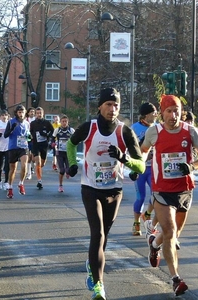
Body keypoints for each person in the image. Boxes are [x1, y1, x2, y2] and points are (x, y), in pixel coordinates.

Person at [66, 87, 145, 300]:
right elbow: (70, 144)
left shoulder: (124, 132)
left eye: (116, 105)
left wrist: (125, 159)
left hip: (114, 190)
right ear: (100, 106)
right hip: (90, 188)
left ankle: (92, 265)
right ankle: (99, 286)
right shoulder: (89, 128)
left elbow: (141, 166)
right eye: (109, 104)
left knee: (104, 237)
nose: (112, 109)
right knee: (98, 234)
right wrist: (72, 164)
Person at [140, 94, 198, 296]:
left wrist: (192, 166)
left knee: (175, 232)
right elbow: (143, 151)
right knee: (170, 232)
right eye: (169, 111)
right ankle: (175, 279)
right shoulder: (154, 131)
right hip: (162, 190)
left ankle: (154, 245)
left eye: (176, 111)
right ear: (162, 113)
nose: (173, 115)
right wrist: (140, 162)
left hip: (184, 189)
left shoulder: (191, 131)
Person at [129, 102, 158, 236]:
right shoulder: (134, 128)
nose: (156, 114)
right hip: (140, 168)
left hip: (154, 167)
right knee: (140, 197)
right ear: (146, 115)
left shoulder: (158, 127)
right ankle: (136, 223)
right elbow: (128, 147)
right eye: (153, 112)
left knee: (156, 195)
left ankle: (147, 214)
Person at [3, 105, 31, 199]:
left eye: (22, 112)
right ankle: (10, 188)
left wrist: (30, 138)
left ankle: (21, 184)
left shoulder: (27, 123)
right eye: (19, 112)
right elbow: (5, 135)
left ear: (25, 113)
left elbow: (28, 135)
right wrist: (11, 129)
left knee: (24, 165)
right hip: (13, 147)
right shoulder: (11, 122)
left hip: (23, 147)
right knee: (13, 169)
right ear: (16, 113)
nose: (21, 114)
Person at [30, 107, 54, 190]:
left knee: (42, 164)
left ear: (43, 113)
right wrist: (30, 138)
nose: (39, 114)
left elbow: (53, 131)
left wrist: (46, 134)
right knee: (38, 163)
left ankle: (36, 168)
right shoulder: (33, 123)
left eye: (40, 113)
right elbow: (29, 133)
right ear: (35, 114)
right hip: (36, 145)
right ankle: (39, 181)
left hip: (44, 145)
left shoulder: (47, 122)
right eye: (37, 113)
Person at [51, 115, 75, 193]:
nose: (64, 123)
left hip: (68, 153)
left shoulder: (71, 130)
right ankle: (60, 186)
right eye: (63, 121)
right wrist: (53, 143)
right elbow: (52, 138)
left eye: (66, 121)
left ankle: (68, 172)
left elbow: (76, 139)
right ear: (60, 122)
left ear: (68, 122)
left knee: (68, 170)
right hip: (59, 152)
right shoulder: (57, 130)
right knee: (62, 170)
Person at [25, 107, 36, 180]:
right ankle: (29, 174)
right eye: (31, 111)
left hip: (35, 139)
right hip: (28, 139)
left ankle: (32, 167)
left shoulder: (36, 119)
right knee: (28, 157)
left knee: (34, 158)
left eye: (33, 111)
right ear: (28, 113)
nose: (32, 113)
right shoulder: (25, 120)